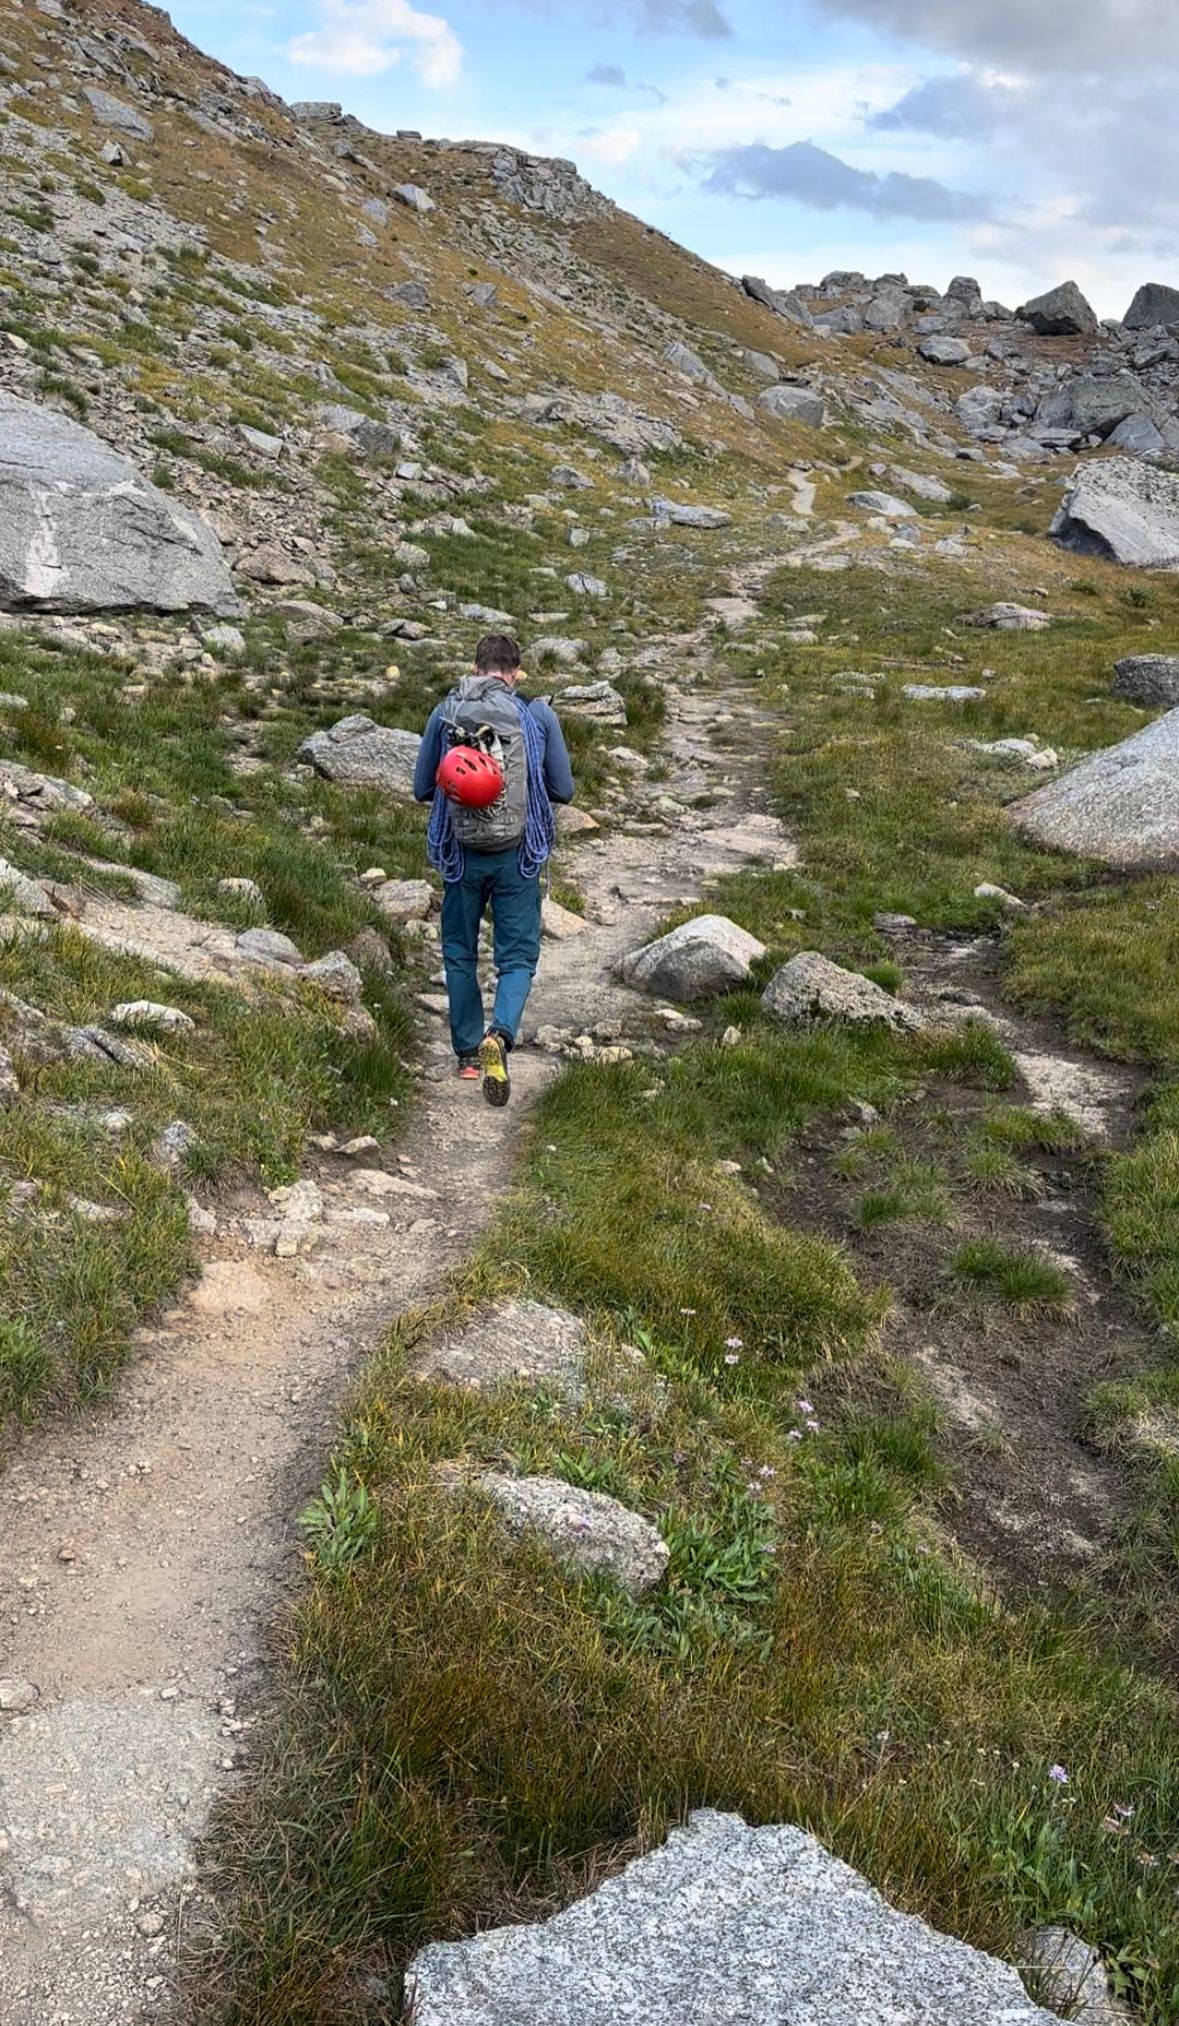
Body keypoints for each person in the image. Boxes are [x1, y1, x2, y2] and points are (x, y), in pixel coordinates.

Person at [414, 633, 574, 1107]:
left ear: (476, 666)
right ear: (516, 672)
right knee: (518, 956)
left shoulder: (446, 713)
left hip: (460, 855)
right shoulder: (538, 714)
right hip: (518, 855)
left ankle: (466, 1054)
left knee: (460, 951)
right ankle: (499, 1036)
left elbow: (423, 787)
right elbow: (563, 789)